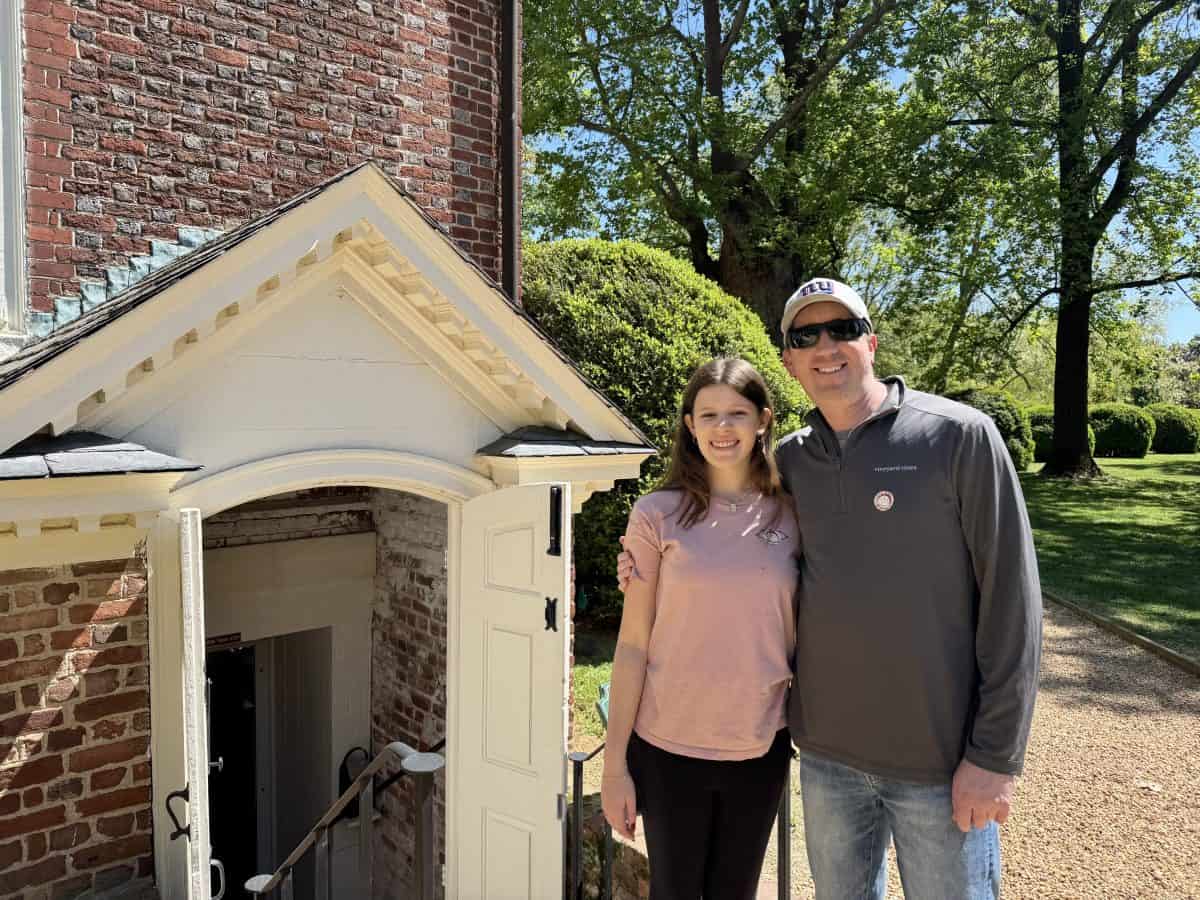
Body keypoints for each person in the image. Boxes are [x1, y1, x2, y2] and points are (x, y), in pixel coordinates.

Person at [619, 278, 1042, 900]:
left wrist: (996, 755)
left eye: (841, 330)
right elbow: (725, 537)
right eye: (805, 335)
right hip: (826, 763)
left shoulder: (958, 437)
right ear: (789, 361)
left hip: (942, 763)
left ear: (871, 342)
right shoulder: (792, 465)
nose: (826, 346)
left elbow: (1013, 604)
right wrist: (643, 562)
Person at [600, 357, 800, 900]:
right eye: (708, 414)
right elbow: (633, 645)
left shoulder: (794, 515)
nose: (722, 428)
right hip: (668, 751)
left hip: (759, 749)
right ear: (690, 425)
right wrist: (614, 764)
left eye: (737, 413)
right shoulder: (655, 514)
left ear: (763, 420)